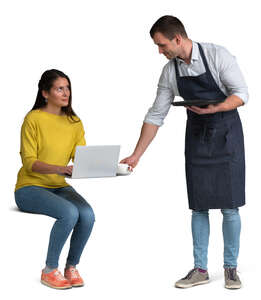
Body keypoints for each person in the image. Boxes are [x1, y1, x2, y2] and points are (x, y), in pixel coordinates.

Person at [121, 15, 248, 289]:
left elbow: (241, 94)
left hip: (227, 135)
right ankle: (200, 269)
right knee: (198, 206)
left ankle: (231, 269)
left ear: (177, 39)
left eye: (162, 45)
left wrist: (216, 108)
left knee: (230, 206)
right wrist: (136, 155)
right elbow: (156, 114)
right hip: (197, 139)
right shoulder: (170, 72)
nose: (160, 51)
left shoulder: (217, 55)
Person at [14, 69, 95, 289]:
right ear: (45, 93)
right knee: (69, 213)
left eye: (68, 88)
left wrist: (102, 166)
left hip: (58, 186)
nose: (66, 92)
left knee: (87, 214)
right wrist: (61, 168)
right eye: (60, 88)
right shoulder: (33, 119)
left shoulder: (74, 121)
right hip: (29, 188)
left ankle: (71, 267)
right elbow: (29, 162)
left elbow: (81, 157)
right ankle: (49, 269)